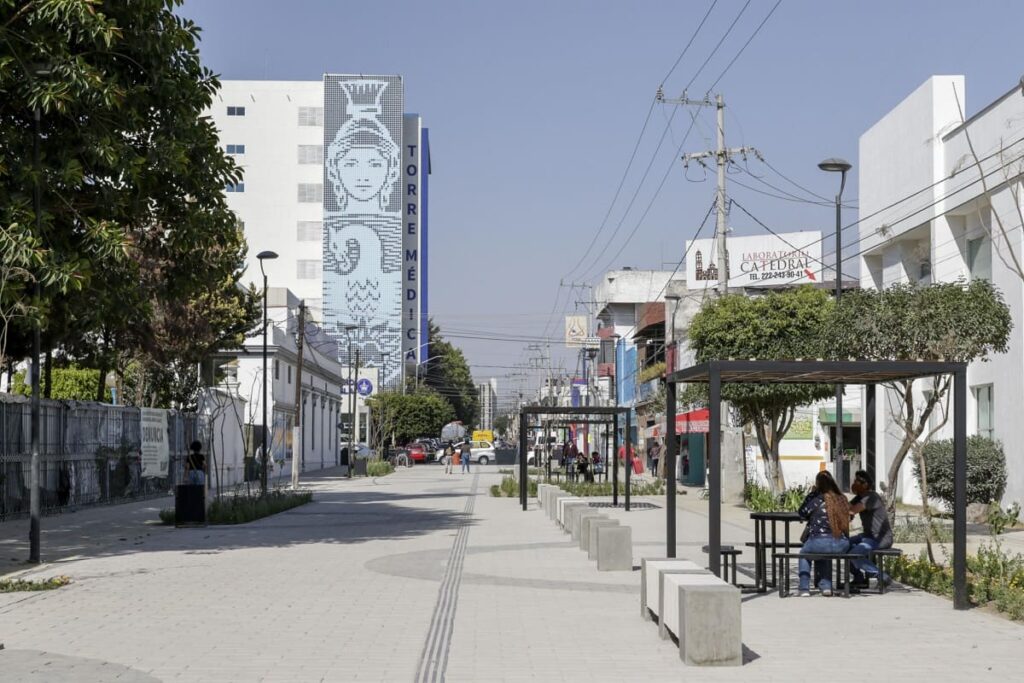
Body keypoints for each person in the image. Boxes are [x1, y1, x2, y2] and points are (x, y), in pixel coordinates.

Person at [796, 470, 850, 596]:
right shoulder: (842, 498)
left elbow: (802, 512)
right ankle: (826, 587)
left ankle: (804, 588)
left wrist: (812, 494)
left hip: (819, 541)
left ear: (818, 484)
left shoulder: (816, 498)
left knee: (805, 554)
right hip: (841, 543)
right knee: (822, 552)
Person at [848, 470, 894, 588]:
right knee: (844, 545)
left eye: (857, 481)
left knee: (854, 554)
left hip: (880, 538)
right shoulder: (860, 497)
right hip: (868, 536)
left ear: (865, 484)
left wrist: (847, 512)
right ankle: (858, 578)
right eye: (854, 481)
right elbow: (846, 506)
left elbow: (852, 510)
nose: (854, 484)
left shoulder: (871, 497)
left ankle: (882, 576)